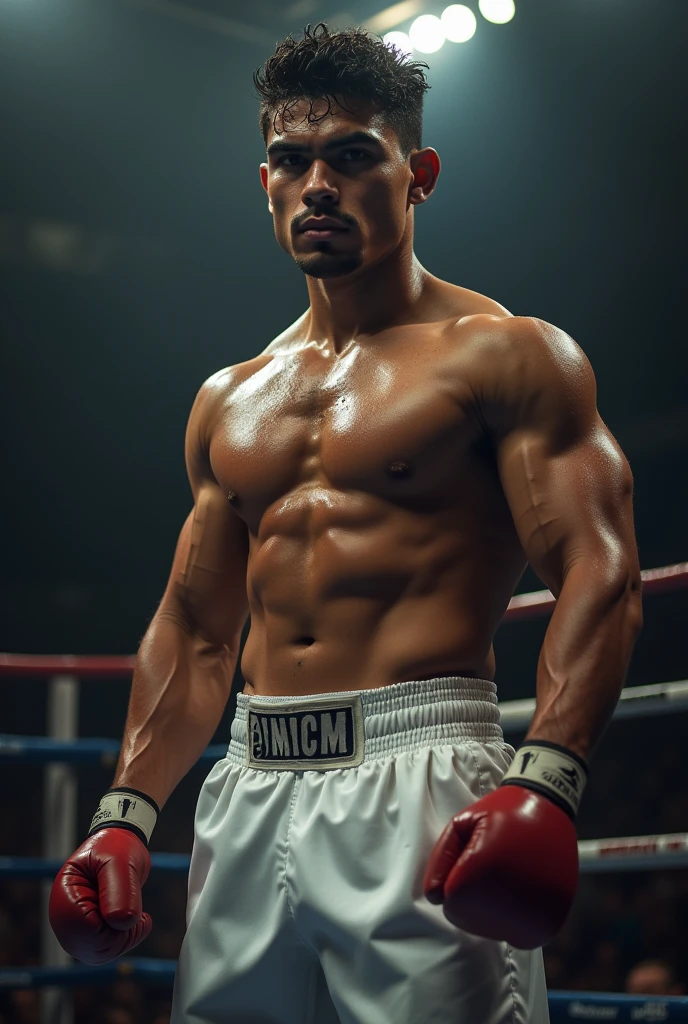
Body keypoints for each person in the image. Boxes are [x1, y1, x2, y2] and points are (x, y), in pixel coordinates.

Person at [48, 23, 642, 1024]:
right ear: (266, 181)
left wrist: (548, 778)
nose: (317, 182)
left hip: (419, 779)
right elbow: (196, 631)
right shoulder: (229, 399)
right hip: (249, 780)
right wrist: (125, 812)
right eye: (292, 159)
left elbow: (598, 568)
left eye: (353, 155)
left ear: (419, 175)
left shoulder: (506, 357)